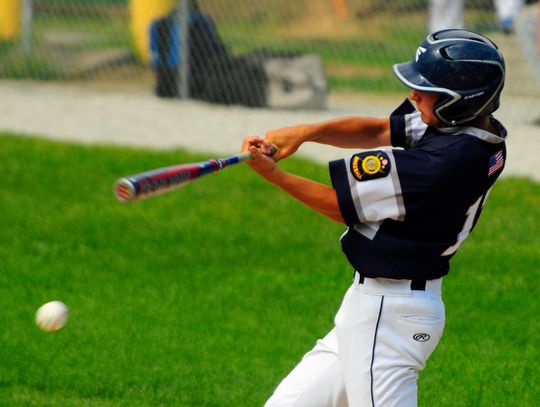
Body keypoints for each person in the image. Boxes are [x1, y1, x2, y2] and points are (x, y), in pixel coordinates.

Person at [242, 29, 507, 407]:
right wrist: (305, 133)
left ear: (460, 102)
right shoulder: (477, 132)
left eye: (427, 89)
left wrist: (273, 174)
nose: (413, 95)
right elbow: (381, 129)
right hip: (372, 307)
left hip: (390, 315)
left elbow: (339, 205)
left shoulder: (441, 164)